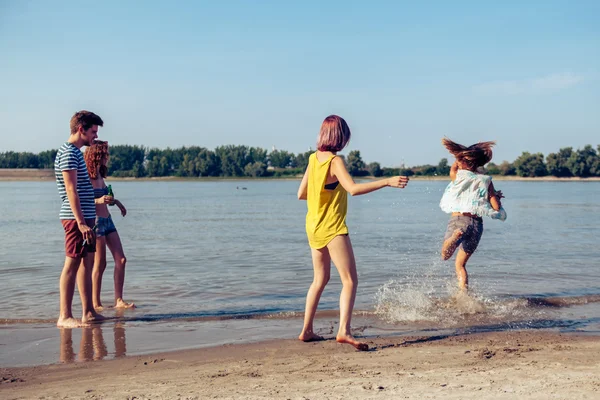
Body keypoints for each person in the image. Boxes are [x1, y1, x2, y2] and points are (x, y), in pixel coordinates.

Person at [297, 115, 409, 351]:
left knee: (320, 279)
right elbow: (354, 189)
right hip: (332, 227)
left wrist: (325, 192)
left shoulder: (312, 158)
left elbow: (301, 194)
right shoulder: (335, 161)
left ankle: (306, 330)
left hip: (313, 226)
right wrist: (387, 181)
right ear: (341, 136)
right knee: (350, 280)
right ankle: (344, 331)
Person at [55, 110, 105, 327]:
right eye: (93, 131)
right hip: (76, 220)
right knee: (72, 264)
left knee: (86, 263)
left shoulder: (76, 153)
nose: (95, 136)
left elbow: (83, 189)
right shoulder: (68, 153)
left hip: (86, 218)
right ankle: (64, 316)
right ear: (80, 129)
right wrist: (81, 222)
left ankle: (88, 312)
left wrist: (103, 199)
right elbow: (70, 190)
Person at [439, 138, 507, 292]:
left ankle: (454, 237)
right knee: (460, 265)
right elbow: (495, 207)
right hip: (477, 225)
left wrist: (459, 156)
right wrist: (496, 197)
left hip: (459, 220)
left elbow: (454, 168)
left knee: (445, 255)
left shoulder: (458, 177)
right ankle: (464, 295)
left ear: (462, 162)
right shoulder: (486, 181)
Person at [83, 140, 134, 310]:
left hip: (108, 220)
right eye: (105, 154)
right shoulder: (87, 177)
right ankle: (96, 303)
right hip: (96, 222)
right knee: (100, 263)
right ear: (96, 155)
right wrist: (99, 199)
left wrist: (117, 202)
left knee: (121, 259)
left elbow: (106, 198)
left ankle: (118, 300)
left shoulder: (100, 176)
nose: (107, 158)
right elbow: (84, 200)